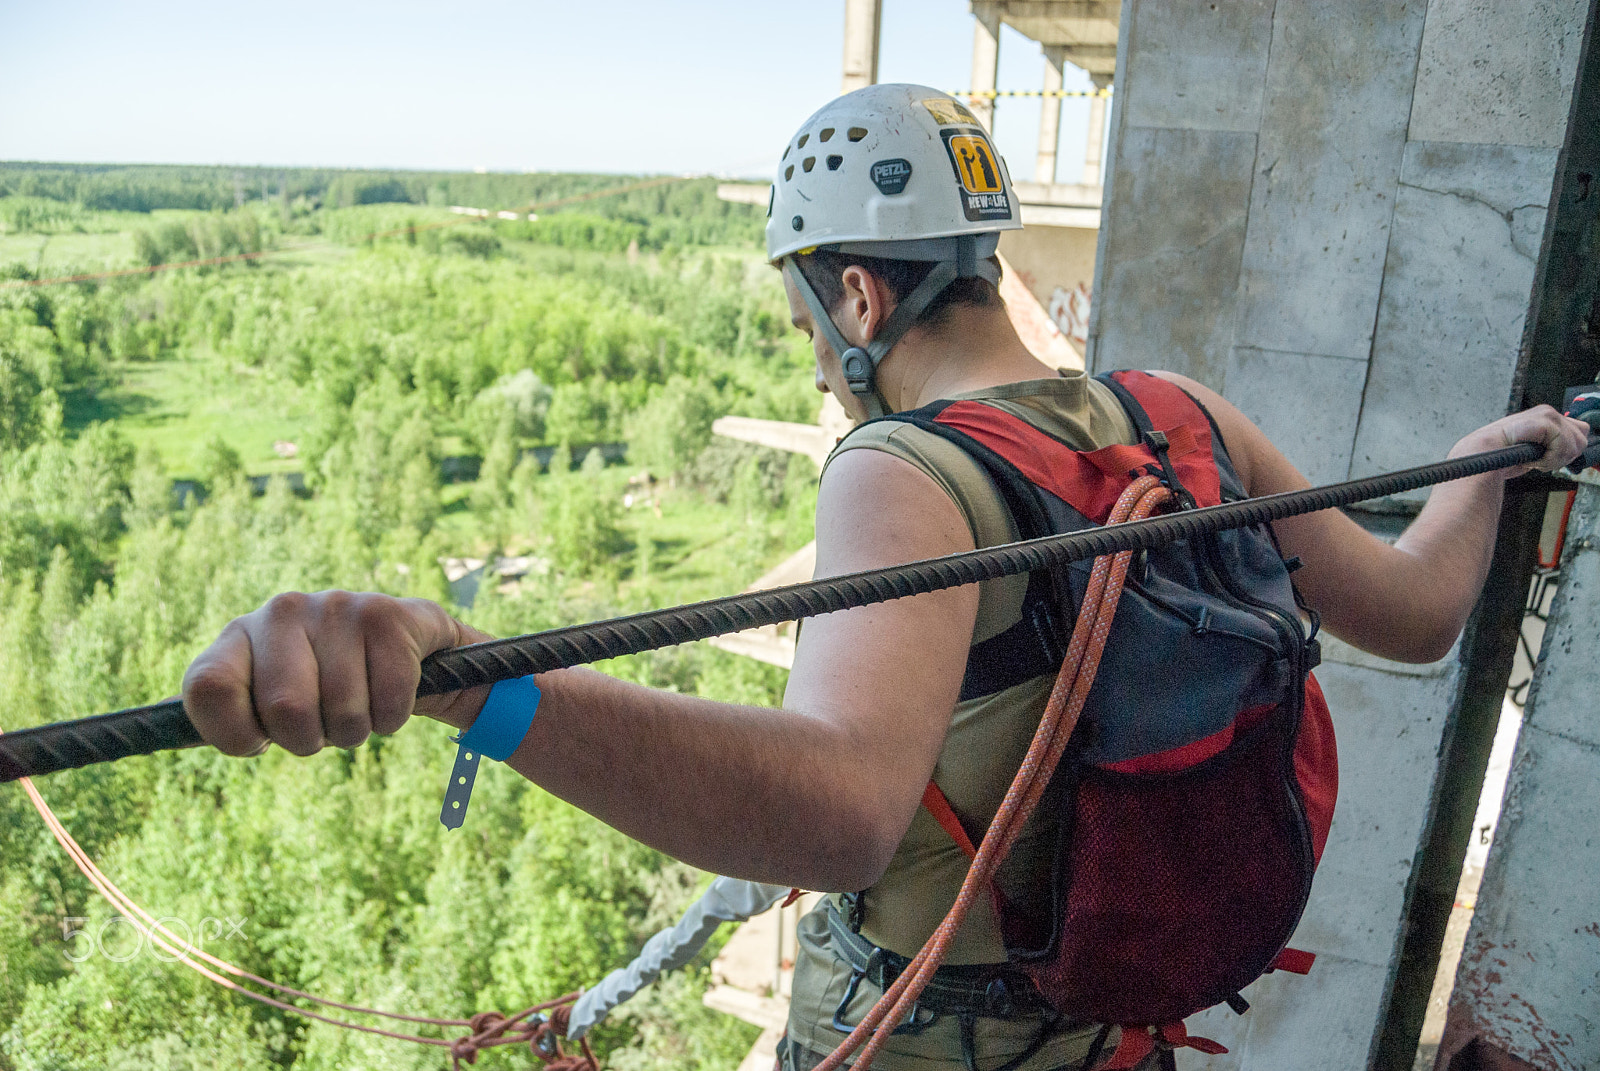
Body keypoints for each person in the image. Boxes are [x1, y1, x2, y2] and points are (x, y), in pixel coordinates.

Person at [181, 86, 1590, 1071]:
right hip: (1115, 1031)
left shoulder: (903, 473)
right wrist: (1486, 459)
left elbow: (845, 816)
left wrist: (474, 683)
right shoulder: (1183, 416)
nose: (811, 356)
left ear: (857, 297)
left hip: (943, 1044)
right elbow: (1415, 617)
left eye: (807, 315)